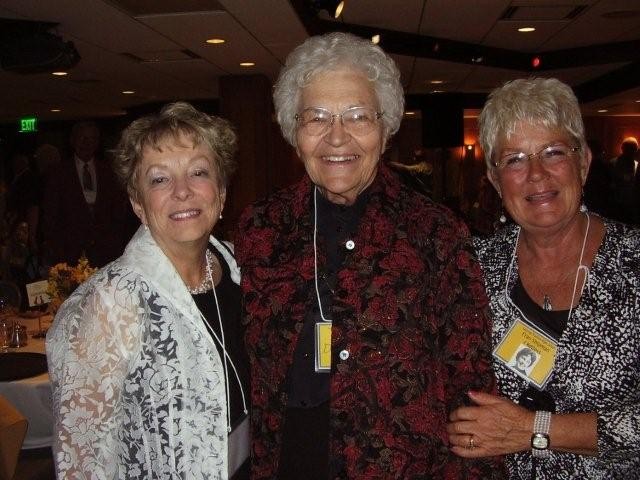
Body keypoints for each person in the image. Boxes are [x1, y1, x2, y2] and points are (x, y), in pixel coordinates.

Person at [235, 32, 502, 479]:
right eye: (317, 117)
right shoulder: (260, 228)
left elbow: (470, 383)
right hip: (286, 463)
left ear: (385, 128)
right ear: (294, 132)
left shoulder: (435, 232)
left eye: (358, 116)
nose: (337, 137)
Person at [447, 78, 640, 479]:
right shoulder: (472, 268)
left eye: (553, 152)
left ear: (583, 163)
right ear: (495, 179)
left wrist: (534, 430)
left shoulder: (634, 263)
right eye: (514, 159)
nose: (536, 174)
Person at [46, 102, 250, 479]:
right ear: (138, 203)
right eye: (159, 179)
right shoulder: (109, 303)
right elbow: (83, 461)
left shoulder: (241, 269)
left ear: (221, 193)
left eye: (198, 172)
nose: (182, 191)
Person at [41, 120, 133, 268]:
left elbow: (118, 210)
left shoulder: (109, 171)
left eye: (91, 139)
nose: (86, 143)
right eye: (82, 138)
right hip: (70, 252)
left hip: (106, 252)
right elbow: (50, 214)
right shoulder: (58, 173)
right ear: (73, 140)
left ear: (97, 142)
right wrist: (55, 247)